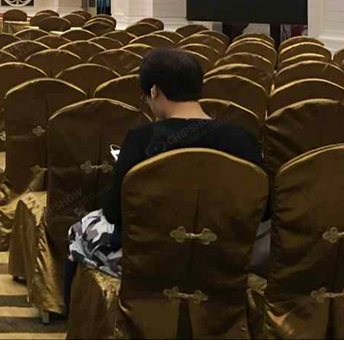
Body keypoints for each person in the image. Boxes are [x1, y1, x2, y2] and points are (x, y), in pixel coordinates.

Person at [64, 48, 266, 310]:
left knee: (79, 230)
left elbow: (114, 213)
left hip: (150, 261)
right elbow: (263, 210)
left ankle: (74, 314)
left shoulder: (141, 140)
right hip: (225, 259)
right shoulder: (243, 139)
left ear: (154, 90)